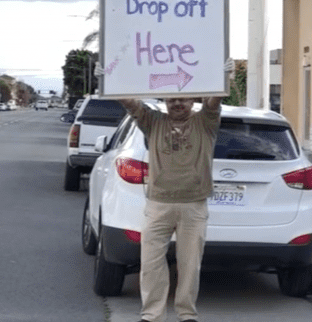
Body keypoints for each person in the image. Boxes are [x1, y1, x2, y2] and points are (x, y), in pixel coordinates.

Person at [97, 59, 233, 322]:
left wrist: (223, 78)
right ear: (165, 102)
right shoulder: (153, 121)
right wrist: (108, 81)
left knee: (189, 265)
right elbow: (131, 104)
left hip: (193, 206)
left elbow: (214, 102)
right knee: (150, 263)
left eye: (182, 100)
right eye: (171, 100)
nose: (177, 104)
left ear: (192, 101)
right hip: (158, 205)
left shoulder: (205, 122)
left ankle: (186, 314)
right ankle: (152, 315)